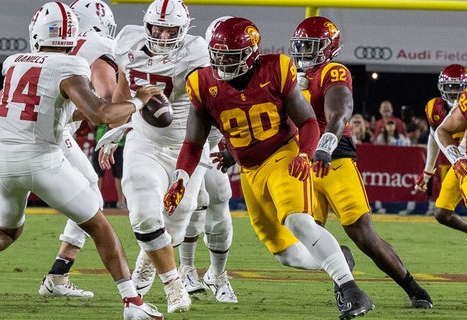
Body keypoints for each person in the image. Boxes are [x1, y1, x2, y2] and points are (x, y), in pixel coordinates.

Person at [0, 3, 164, 319]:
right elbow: (101, 113)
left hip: (3, 157)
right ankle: (133, 305)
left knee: (8, 229)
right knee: (100, 226)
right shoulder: (72, 63)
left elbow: (22, 102)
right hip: (42, 158)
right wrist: (139, 101)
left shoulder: (14, 61)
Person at [163, 17, 374, 319]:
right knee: (287, 255)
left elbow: (309, 122)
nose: (221, 61)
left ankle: (352, 291)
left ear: (250, 54)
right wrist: (181, 176)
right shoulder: (201, 82)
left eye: (229, 56)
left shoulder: (275, 69)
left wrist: (305, 153)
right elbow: (193, 143)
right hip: (250, 171)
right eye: (217, 53)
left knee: (298, 221)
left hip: (283, 155)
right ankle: (337, 257)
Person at [290, 16, 432, 309]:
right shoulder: (291, 75)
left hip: (333, 159)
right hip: (302, 160)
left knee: (363, 235)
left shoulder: (334, 71)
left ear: (329, 49)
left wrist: (325, 147)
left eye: (311, 45)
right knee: (302, 239)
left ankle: (414, 289)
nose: (304, 50)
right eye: (301, 44)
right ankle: (345, 278)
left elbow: (340, 115)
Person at [103, 0, 216, 313]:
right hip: (144, 142)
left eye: (170, 30)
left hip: (187, 145)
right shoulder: (128, 40)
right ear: (147, 25)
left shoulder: (196, 52)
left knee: (177, 220)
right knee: (142, 211)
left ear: (183, 29)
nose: (163, 35)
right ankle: (173, 283)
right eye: (157, 28)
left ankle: (146, 263)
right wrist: (115, 128)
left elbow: (208, 101)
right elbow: (123, 87)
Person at [176, 15, 238, 303]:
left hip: (214, 145)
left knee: (220, 195)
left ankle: (217, 274)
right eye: (219, 52)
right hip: (189, 141)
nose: (223, 59)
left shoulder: (252, 75)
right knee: (193, 201)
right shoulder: (197, 74)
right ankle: (186, 268)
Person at [415, 64, 467, 233]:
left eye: (456, 87)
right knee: (442, 213)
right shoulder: (436, 108)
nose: (453, 92)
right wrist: (429, 170)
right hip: (463, 157)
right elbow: (438, 133)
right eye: (449, 87)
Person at [92, 123, 126, 209]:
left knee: (119, 174)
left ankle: (121, 202)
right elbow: (93, 122)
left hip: (118, 141)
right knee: (98, 173)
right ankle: (97, 201)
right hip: (100, 141)